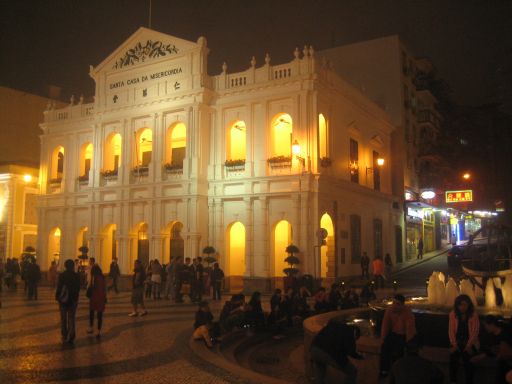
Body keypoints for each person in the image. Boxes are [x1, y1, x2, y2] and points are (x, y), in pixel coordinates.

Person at [310, 319, 363, 384]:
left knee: (320, 370)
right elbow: (351, 351)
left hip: (314, 348)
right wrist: (360, 356)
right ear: (356, 333)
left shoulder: (336, 325)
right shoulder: (350, 332)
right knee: (352, 371)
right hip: (327, 353)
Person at [379, 294, 416, 377]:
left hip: (403, 335)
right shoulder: (389, 310)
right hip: (393, 334)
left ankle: (398, 372)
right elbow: (385, 325)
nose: (395, 306)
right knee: (384, 347)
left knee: (399, 351)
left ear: (402, 305)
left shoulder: (407, 312)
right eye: (393, 303)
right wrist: (383, 338)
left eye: (397, 304)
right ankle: (384, 370)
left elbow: (410, 328)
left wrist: (408, 341)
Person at [448, 294, 479, 384]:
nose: (462, 307)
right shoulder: (453, 314)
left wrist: (469, 346)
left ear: (469, 305)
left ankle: (469, 381)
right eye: (460, 304)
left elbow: (475, 332)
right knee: (453, 359)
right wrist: (454, 344)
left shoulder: (473, 315)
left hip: (470, 341)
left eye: (465, 304)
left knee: (468, 360)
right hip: (457, 341)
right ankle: (453, 381)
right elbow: (451, 331)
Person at [55, 259, 81, 345]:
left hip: (63, 300)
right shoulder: (76, 276)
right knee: (71, 318)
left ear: (65, 266)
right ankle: (72, 335)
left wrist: (57, 296)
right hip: (73, 300)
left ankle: (64, 334)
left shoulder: (62, 275)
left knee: (63, 318)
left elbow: (59, 287)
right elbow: (78, 288)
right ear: (73, 266)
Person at [87, 265, 107, 338]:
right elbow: (103, 289)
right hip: (99, 298)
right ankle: (97, 330)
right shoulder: (100, 277)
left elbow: (99, 289)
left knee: (93, 313)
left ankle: (93, 328)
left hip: (96, 298)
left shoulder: (96, 278)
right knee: (99, 315)